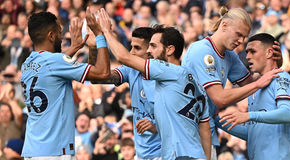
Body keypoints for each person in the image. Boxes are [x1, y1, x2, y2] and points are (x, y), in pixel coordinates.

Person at [98, 8, 211, 160]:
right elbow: (204, 128)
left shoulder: (167, 71)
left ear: (170, 50)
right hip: (195, 155)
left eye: (153, 46)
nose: (149, 52)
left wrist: (106, 31)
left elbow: (122, 56)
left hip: (178, 156)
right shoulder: (195, 83)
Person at [181, 7, 283, 159]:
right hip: (188, 133)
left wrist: (274, 63)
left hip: (205, 130)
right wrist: (258, 84)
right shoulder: (202, 51)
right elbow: (219, 97)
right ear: (224, 25)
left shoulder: (229, 55)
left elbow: (249, 83)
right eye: (239, 34)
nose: (241, 41)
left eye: (244, 37)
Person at [20, 7, 111, 159]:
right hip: (54, 150)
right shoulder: (55, 62)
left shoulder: (27, 64)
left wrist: (74, 48)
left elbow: (52, 67)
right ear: (51, 35)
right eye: (59, 32)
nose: (61, 37)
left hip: (33, 149)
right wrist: (100, 34)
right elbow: (103, 72)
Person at [218, 33, 290, 160]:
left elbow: (287, 114)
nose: (247, 56)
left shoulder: (280, 77)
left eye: (252, 51)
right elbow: (254, 134)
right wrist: (218, 121)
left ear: (269, 53)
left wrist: (248, 116)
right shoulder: (256, 86)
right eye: (247, 52)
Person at [92, 27, 162, 160]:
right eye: (131, 47)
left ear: (150, 51)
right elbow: (97, 77)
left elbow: (178, 122)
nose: (131, 52)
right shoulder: (131, 71)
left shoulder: (164, 75)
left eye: (137, 48)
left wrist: (156, 127)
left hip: (163, 153)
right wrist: (93, 45)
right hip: (140, 154)